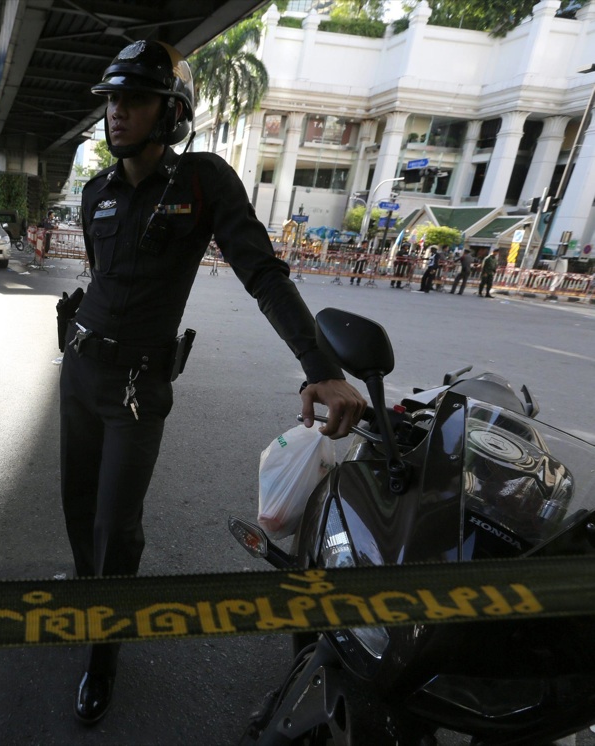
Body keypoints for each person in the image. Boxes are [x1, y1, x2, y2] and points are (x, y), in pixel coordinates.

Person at [61, 40, 365, 726]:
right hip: (78, 372)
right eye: (112, 100)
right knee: (78, 512)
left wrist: (321, 369)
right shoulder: (94, 191)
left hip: (138, 389)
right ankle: (88, 605)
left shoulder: (203, 182)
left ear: (171, 112)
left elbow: (263, 273)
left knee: (115, 527)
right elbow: (104, 282)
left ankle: (101, 655)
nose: (117, 113)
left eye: (134, 100)